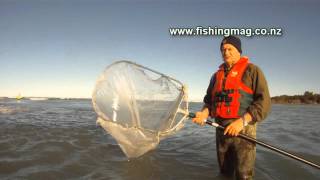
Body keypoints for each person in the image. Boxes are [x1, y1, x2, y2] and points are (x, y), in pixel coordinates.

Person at [192, 35, 271, 180]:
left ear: (238, 51)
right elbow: (209, 101)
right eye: (223, 50)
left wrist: (242, 121)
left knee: (244, 175)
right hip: (220, 130)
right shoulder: (215, 76)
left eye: (230, 49)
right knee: (224, 173)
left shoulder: (252, 71)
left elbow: (264, 102)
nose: (226, 52)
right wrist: (204, 113)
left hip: (244, 131)